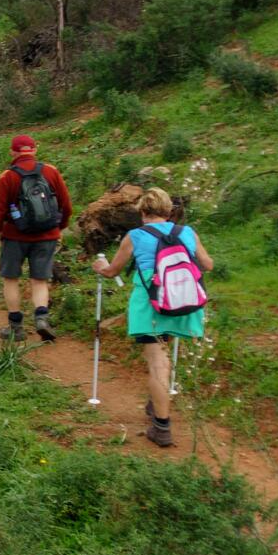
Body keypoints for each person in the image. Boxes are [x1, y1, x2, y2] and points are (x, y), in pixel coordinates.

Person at [91, 187, 212, 449]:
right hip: (183, 301)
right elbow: (208, 264)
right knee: (163, 354)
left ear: (143, 212)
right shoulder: (187, 232)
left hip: (151, 303)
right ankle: (156, 402)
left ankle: (162, 427)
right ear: (168, 211)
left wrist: (101, 267)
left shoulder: (135, 236)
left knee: (157, 362)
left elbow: (112, 271)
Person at [0, 133, 72, 342]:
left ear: (12, 152)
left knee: (11, 278)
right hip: (47, 236)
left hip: (15, 236)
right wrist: (58, 228)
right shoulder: (51, 171)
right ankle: (41, 319)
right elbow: (66, 206)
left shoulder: (7, 177)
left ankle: (16, 327)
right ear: (35, 150)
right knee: (39, 280)